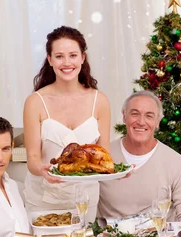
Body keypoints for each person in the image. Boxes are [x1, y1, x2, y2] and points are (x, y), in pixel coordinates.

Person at [23, 26, 111, 225]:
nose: (67, 63)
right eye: (59, 56)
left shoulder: (100, 101)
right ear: (50, 59)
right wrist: (42, 169)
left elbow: (103, 153)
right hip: (44, 199)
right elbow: (33, 158)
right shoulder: (35, 102)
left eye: (73, 55)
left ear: (82, 57)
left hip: (85, 199)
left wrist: (116, 172)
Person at [98, 90, 181, 222]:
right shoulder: (103, 155)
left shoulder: (175, 162)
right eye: (135, 114)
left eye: (149, 116)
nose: (141, 122)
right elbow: (86, 200)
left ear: (158, 121)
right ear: (124, 117)